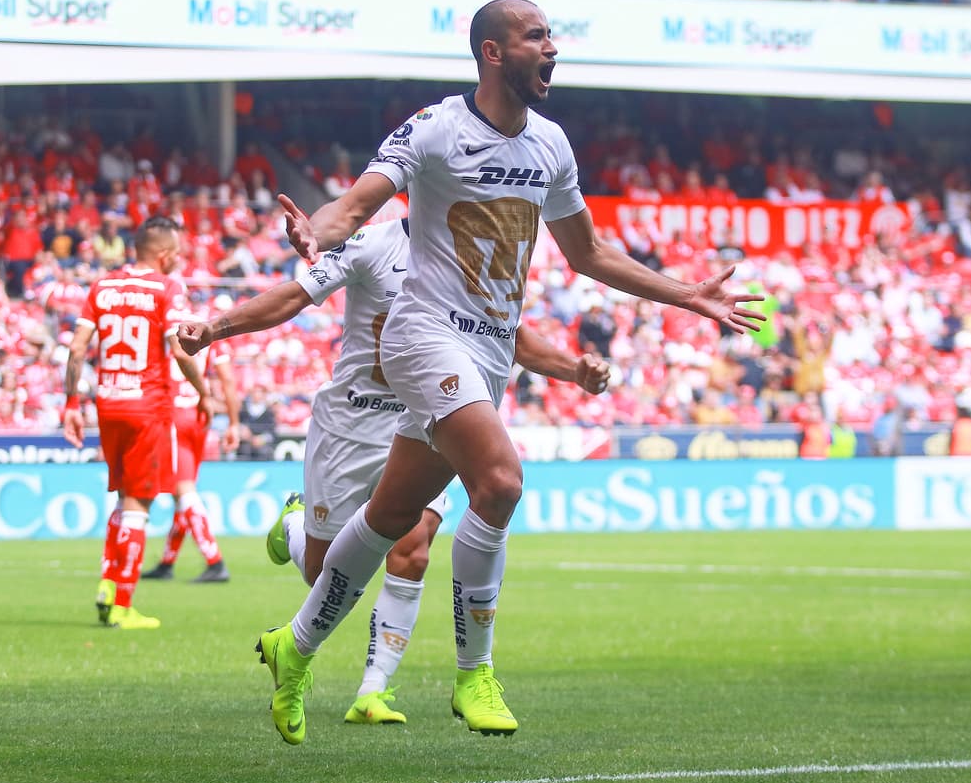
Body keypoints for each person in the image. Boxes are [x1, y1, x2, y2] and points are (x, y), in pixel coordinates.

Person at [250, 0, 765, 744]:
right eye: (536, 37)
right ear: (493, 53)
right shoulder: (435, 129)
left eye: (551, 35)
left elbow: (588, 254)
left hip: (488, 352)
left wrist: (687, 294)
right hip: (423, 336)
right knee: (500, 482)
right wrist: (315, 229)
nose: (552, 48)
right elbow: (355, 205)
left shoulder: (552, 146)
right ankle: (473, 675)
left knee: (394, 518)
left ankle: (292, 648)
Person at [180, 215, 610, 725]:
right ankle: (295, 527)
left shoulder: (474, 252)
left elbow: (507, 334)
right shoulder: (374, 243)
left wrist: (571, 371)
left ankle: (373, 691)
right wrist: (216, 329)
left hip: (428, 411)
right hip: (352, 422)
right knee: (325, 576)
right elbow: (295, 295)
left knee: (414, 547)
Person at [62, 217, 211, 630]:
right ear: (164, 255)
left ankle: (109, 583)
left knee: (122, 497)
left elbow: (76, 350)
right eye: (177, 253)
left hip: (108, 404)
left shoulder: (102, 286)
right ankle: (122, 603)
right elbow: (181, 352)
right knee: (138, 504)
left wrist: (71, 403)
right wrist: (204, 393)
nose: (178, 260)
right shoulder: (168, 287)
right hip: (148, 406)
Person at [140, 321, 241, 584]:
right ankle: (167, 562)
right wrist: (233, 423)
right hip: (200, 417)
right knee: (180, 492)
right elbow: (228, 380)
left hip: (174, 413)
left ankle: (215, 561)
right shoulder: (211, 336)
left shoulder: (168, 331)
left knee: (183, 490)